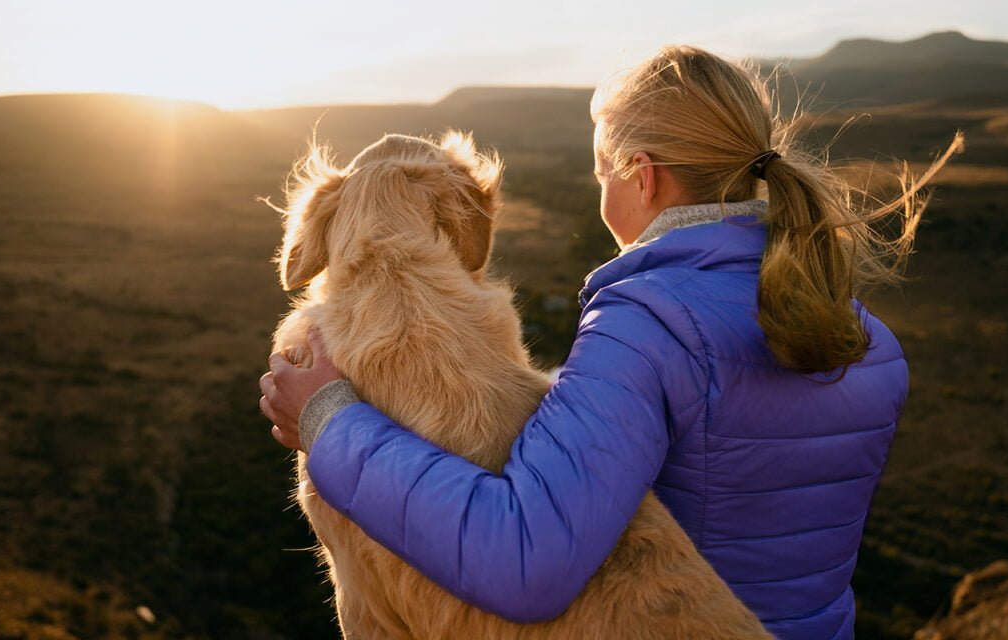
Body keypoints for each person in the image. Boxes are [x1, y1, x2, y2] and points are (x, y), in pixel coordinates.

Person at [259, 45, 959, 640]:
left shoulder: (644, 326)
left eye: (602, 173)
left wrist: (330, 417)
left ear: (642, 175)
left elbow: (525, 561)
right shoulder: (864, 335)